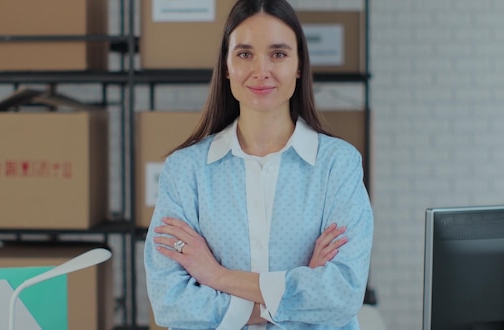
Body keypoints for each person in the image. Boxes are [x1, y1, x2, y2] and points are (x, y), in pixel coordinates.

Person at [144, 0, 373, 329]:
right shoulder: (185, 171)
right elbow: (170, 303)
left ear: (299, 64)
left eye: (278, 54)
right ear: (226, 65)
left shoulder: (338, 165)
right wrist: (297, 293)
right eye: (245, 54)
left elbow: (342, 296)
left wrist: (216, 276)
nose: (260, 70)